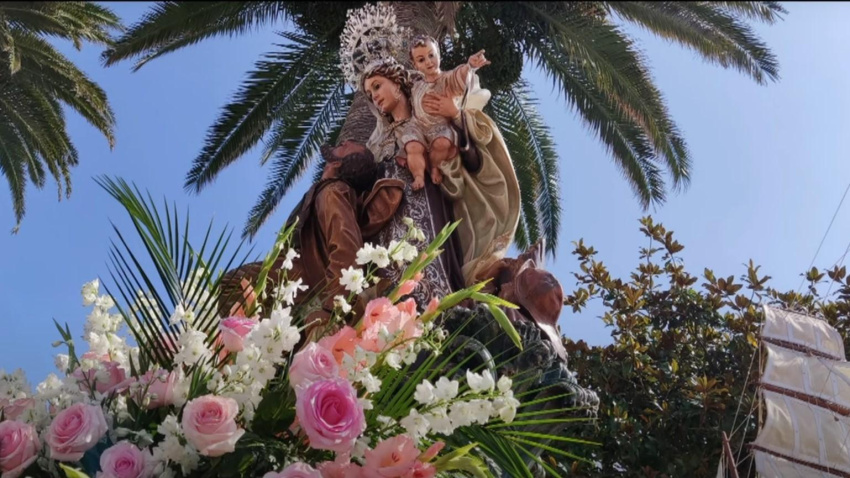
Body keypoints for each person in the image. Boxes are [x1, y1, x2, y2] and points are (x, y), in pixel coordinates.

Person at [218, 141, 406, 327]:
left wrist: (334, 307)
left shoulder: (332, 192)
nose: (343, 141)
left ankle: (238, 344)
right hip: (301, 271)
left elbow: (346, 246)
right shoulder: (326, 189)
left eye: (345, 146)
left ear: (337, 164)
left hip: (309, 274)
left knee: (233, 284)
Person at [407, 34, 490, 184]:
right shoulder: (416, 86)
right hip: (417, 125)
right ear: (415, 65)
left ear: (439, 54)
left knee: (442, 144)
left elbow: (459, 77)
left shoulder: (447, 79)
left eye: (431, 55)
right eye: (421, 60)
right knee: (412, 146)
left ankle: (435, 167)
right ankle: (418, 175)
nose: (428, 62)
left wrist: (470, 67)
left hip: (440, 127)